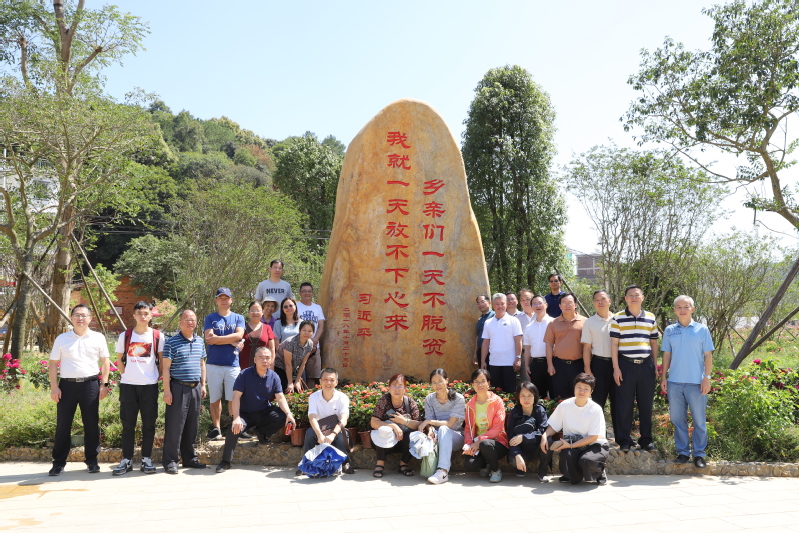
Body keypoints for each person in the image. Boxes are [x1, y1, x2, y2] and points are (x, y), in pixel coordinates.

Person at [48, 304, 111, 476]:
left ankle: (92, 460)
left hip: (90, 385)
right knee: (63, 425)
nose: (80, 318)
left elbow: (105, 362)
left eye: (84, 315)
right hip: (66, 386)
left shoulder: (98, 337)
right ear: (71, 317)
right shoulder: (62, 338)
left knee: (91, 424)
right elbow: (53, 364)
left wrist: (104, 384)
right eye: (77, 315)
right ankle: (58, 463)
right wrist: (54, 387)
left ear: (90, 318)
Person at [215, 347, 295, 473]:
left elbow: (280, 397)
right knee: (233, 429)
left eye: (267, 358)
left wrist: (289, 414)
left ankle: (261, 432)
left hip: (264, 412)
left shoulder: (274, 376)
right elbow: (236, 397)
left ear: (271, 360)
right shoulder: (245, 374)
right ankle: (226, 461)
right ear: (255, 360)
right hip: (246, 415)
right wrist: (236, 418)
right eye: (261, 357)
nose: (264, 360)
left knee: (283, 416)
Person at [660, 295, 714, 469]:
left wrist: (707, 378)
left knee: (699, 421)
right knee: (677, 419)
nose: (682, 309)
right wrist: (663, 377)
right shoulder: (669, 330)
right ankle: (683, 452)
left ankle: (699, 454)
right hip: (675, 382)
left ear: (692, 309)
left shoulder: (702, 329)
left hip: (696, 383)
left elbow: (708, 355)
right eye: (679, 306)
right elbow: (666, 354)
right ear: (674, 310)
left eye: (686, 306)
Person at [112, 301, 164, 476]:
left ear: (151, 316)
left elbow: (161, 361)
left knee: (149, 425)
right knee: (128, 425)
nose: (143, 316)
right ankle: (126, 460)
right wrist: (126, 375)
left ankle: (146, 459)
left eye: (146, 313)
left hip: (149, 386)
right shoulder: (125, 336)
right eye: (139, 313)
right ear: (134, 315)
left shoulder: (157, 336)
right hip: (128, 386)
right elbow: (119, 359)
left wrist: (154, 376)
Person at [610, 285, 659, 452]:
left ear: (642, 297)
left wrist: (655, 365)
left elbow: (654, 342)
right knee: (624, 405)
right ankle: (624, 440)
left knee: (646, 405)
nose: (633, 297)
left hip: (646, 366)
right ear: (625, 299)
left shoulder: (651, 317)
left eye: (636, 295)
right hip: (625, 365)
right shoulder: (618, 318)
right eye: (630, 295)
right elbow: (614, 344)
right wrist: (616, 368)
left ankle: (646, 440)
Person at [540, 373, 609, 485]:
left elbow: (593, 437)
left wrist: (570, 446)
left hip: (594, 445)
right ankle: (572, 475)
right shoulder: (565, 405)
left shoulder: (595, 409)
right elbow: (554, 426)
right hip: (573, 443)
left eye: (586, 388)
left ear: (591, 391)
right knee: (567, 456)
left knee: (587, 460)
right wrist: (544, 436)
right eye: (579, 387)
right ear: (574, 388)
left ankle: (599, 471)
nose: (582, 391)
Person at [162, 310, 207, 474]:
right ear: (180, 322)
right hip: (178, 388)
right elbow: (165, 368)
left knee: (192, 426)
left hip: (195, 388)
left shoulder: (200, 341)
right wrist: (167, 391)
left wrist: (203, 385)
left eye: (193, 319)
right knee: (175, 426)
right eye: (187, 319)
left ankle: (189, 458)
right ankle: (170, 461)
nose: (190, 322)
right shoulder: (171, 342)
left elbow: (202, 364)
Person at [203, 288, 245, 441]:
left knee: (233, 398)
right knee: (215, 398)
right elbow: (209, 338)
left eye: (226, 298)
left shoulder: (238, 317)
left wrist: (218, 339)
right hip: (213, 364)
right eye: (221, 298)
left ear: (231, 300)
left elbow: (240, 335)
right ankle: (217, 429)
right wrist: (231, 340)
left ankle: (236, 428)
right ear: (216, 300)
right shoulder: (210, 318)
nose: (224, 300)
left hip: (232, 364)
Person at [297, 367, 354, 475]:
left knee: (342, 435)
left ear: (336, 382)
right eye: (325, 380)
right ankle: (306, 463)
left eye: (332, 380)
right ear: (320, 381)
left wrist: (333, 434)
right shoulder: (314, 397)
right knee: (310, 433)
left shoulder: (342, 397)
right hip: (319, 428)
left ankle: (345, 463)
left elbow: (344, 419)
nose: (328, 383)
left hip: (336, 429)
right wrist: (319, 435)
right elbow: (312, 417)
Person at [581, 289, 619, 440]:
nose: (600, 302)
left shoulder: (618, 319)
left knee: (618, 401)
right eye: (596, 299)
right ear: (593, 303)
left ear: (609, 301)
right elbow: (586, 348)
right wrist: (588, 369)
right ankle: (597, 435)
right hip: (598, 365)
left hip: (618, 365)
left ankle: (621, 437)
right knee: (597, 402)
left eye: (603, 299)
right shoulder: (589, 322)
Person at [418, 369, 466, 485]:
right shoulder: (429, 399)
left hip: (456, 437)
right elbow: (429, 423)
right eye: (434, 382)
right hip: (437, 436)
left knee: (444, 429)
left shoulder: (458, 398)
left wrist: (429, 421)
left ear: (447, 380)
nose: (437, 385)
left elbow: (450, 424)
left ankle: (443, 472)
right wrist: (430, 430)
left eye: (440, 381)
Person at [370, 373, 422, 478]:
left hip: (403, 442)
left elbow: (419, 425)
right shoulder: (384, 400)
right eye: (394, 386)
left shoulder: (409, 402)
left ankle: (403, 464)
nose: (397, 389)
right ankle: (380, 464)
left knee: (413, 435)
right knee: (383, 430)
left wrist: (404, 421)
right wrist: (394, 426)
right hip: (385, 441)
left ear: (405, 388)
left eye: (400, 386)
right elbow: (374, 422)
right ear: (389, 388)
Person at [463, 369, 509, 483]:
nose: (480, 384)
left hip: (497, 443)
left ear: (488, 383)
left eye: (483, 381)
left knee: (485, 444)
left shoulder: (497, 402)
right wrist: (469, 444)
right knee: (470, 464)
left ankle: (495, 470)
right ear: (473, 384)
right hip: (478, 443)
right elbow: (468, 428)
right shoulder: (470, 405)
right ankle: (485, 465)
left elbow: (497, 428)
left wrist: (479, 441)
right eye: (476, 382)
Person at [544, 293, 588, 399]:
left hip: (578, 365)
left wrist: (587, 367)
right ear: (560, 306)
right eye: (564, 303)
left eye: (570, 302)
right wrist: (550, 365)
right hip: (559, 366)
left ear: (575, 304)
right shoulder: (553, 323)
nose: (567, 305)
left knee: (578, 396)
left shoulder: (585, 321)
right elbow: (549, 344)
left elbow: (588, 346)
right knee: (559, 397)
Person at [480, 293, 523, 394]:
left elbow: (518, 340)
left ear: (506, 304)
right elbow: (485, 342)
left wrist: (518, 358)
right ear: (493, 305)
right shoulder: (488, 322)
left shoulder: (514, 320)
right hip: (494, 362)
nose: (500, 306)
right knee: (496, 392)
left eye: (502, 303)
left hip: (510, 362)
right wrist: (483, 361)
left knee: (510, 392)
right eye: (497, 304)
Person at [507, 381, 549, 480]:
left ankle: (542, 472)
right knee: (514, 461)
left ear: (535, 396)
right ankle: (520, 467)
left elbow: (542, 431)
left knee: (549, 441)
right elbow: (510, 435)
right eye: (523, 396)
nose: (526, 399)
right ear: (518, 397)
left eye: (530, 395)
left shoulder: (539, 410)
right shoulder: (514, 412)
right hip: (521, 448)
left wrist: (524, 437)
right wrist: (517, 455)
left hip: (537, 448)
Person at [522, 294, 554, 399]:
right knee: (538, 395)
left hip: (552, 363)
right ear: (531, 307)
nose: (537, 305)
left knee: (554, 393)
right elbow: (527, 348)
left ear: (546, 305)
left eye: (540, 303)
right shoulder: (529, 327)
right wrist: (527, 366)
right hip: (535, 365)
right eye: (534, 304)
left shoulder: (554, 323)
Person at [295, 282, 325, 388]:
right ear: (300, 293)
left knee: (313, 375)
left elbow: (321, 326)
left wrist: (315, 340)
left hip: (315, 346)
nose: (307, 293)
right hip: (299, 346)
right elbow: (294, 326)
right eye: (304, 291)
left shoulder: (317, 308)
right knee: (298, 374)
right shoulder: (296, 307)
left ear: (312, 293)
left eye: (309, 291)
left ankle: (310, 395)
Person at [276, 320, 316, 392]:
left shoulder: (310, 344)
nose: (307, 333)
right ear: (299, 330)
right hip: (280, 368)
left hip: (293, 369)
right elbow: (287, 363)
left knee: (298, 390)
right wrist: (290, 383)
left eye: (310, 331)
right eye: (304, 330)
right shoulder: (290, 342)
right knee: (287, 389)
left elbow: (303, 363)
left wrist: (297, 381)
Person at [239, 301, 276, 370]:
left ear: (262, 312)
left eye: (258, 310)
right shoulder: (242, 327)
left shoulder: (267, 328)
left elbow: (272, 348)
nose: (255, 313)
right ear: (248, 312)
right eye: (252, 310)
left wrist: (271, 364)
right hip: (243, 366)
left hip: (263, 366)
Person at [473, 295, 495, 368]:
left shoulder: (494, 316)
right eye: (478, 303)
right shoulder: (480, 319)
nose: (480, 305)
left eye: (482, 302)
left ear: (489, 302)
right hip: (480, 351)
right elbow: (478, 336)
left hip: (491, 351)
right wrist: (475, 353)